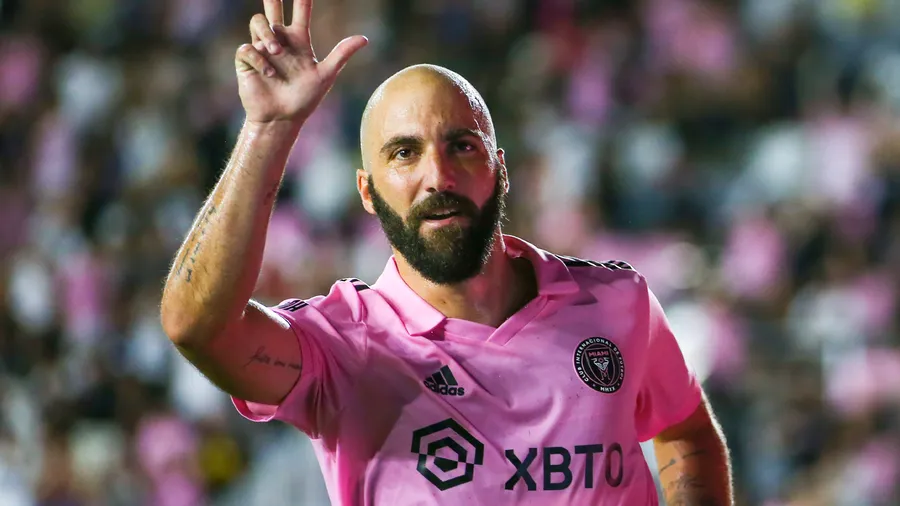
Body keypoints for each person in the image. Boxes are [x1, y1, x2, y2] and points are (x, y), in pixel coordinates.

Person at [159, 0, 734, 504]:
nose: (438, 175)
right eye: (404, 153)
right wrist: (268, 128)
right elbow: (197, 327)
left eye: (461, 145)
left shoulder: (617, 303)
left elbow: (686, 434)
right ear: (367, 191)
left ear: (499, 170)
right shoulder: (340, 348)